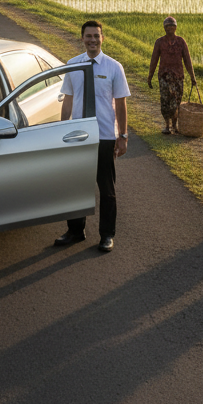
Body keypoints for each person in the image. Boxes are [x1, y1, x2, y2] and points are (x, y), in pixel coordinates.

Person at [54, 19, 130, 253]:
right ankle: (75, 231)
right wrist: (61, 130)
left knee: (106, 188)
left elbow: (120, 103)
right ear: (82, 38)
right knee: (76, 186)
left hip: (104, 136)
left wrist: (123, 136)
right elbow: (68, 98)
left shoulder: (113, 67)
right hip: (77, 136)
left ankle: (107, 235)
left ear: (102, 38)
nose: (92, 40)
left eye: (96, 36)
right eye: (88, 36)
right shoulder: (72, 65)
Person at [147, 17, 196, 134]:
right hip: (164, 76)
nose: (170, 29)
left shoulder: (181, 42)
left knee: (176, 101)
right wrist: (150, 76)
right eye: (167, 27)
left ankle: (175, 125)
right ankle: (167, 125)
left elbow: (187, 61)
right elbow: (154, 60)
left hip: (178, 76)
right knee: (165, 101)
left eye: (172, 26)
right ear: (164, 28)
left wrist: (193, 77)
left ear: (175, 28)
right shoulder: (159, 42)